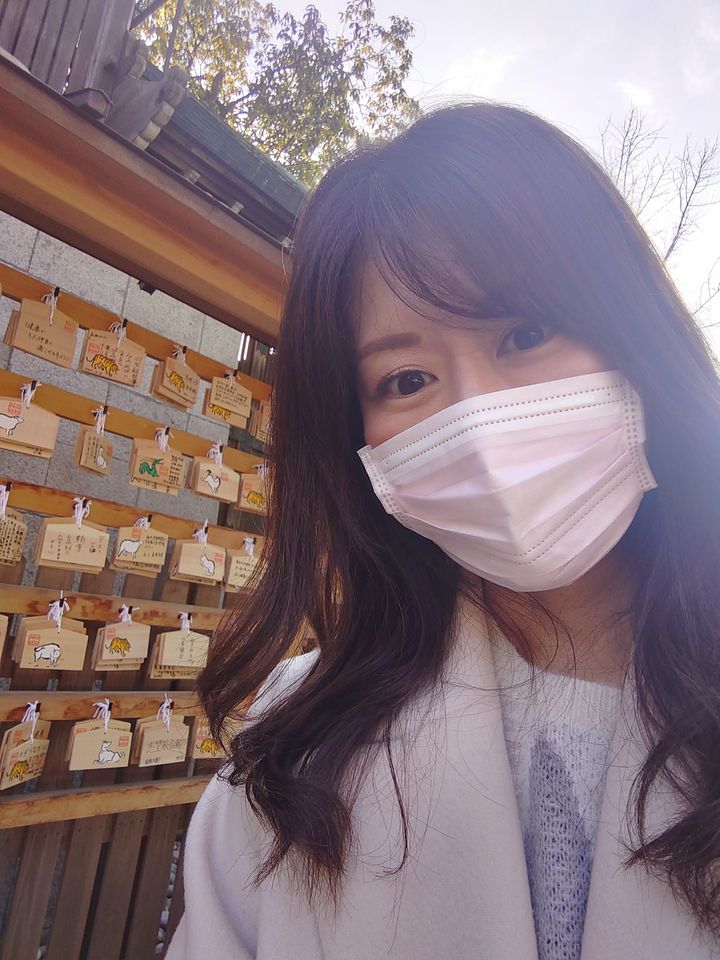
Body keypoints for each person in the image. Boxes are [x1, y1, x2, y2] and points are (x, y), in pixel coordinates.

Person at [166, 102, 720, 960]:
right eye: (407, 379)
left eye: (526, 333)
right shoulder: (291, 747)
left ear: (631, 334)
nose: (479, 420)